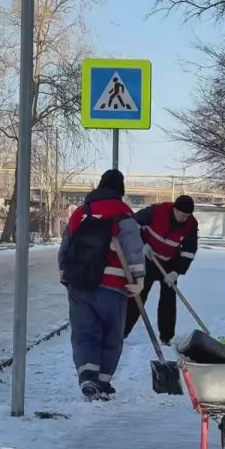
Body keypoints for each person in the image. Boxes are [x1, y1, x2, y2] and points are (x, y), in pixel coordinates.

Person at [59, 169, 146, 401]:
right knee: (111, 335)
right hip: (112, 285)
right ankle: (103, 382)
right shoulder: (122, 212)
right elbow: (133, 248)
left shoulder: (81, 212)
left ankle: (88, 376)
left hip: (79, 283)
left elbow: (66, 245)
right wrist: (139, 280)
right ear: (121, 191)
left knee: (84, 333)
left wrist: (64, 274)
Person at [124, 195, 199, 346]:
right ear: (175, 209)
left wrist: (176, 272)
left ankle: (166, 336)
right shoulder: (157, 211)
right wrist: (142, 244)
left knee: (169, 299)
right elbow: (132, 224)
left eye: (188, 216)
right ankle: (122, 331)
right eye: (182, 215)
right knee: (138, 295)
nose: (185, 218)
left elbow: (189, 251)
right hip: (149, 258)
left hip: (171, 262)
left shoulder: (191, 224)